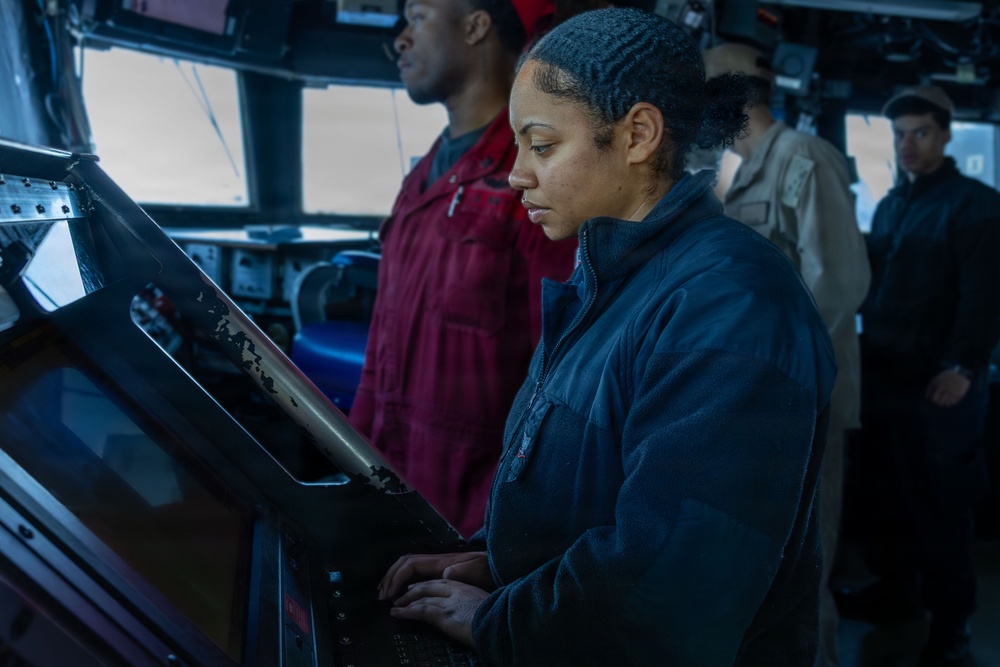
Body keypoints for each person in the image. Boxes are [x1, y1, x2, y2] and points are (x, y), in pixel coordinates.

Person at [376, 8, 838, 665]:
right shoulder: (609, 282)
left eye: (541, 145)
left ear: (638, 134)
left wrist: (501, 617)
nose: (516, 173)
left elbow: (673, 588)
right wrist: (492, 561)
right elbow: (586, 497)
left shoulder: (732, 304)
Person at [348, 0, 578, 538]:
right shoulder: (424, 175)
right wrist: (353, 463)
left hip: (475, 518)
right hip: (385, 484)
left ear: (476, 26)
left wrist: (498, 534)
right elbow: (382, 344)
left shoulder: (537, 175)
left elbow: (564, 378)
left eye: (418, 16)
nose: (400, 39)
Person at [702, 42, 871, 667]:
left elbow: (840, 284)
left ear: (735, 96)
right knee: (760, 563)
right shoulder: (730, 170)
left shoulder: (805, 157)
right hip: (753, 396)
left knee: (806, 561)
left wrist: (777, 373)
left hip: (804, 395)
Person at [840, 85, 1000, 667]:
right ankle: (894, 595)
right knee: (886, 497)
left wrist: (963, 366)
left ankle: (952, 628)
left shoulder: (975, 205)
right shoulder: (891, 203)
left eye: (920, 134)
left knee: (941, 506)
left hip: (941, 382)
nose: (908, 145)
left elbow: (984, 297)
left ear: (946, 136)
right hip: (886, 373)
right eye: (900, 135)